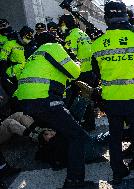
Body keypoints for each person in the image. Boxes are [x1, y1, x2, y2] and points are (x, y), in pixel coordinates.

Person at [14, 32, 94, 188]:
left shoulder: (35, 54)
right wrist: (76, 63)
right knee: (77, 136)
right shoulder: (53, 47)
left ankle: (57, 159)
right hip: (44, 99)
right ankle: (74, 182)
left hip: (26, 101)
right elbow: (74, 73)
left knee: (61, 131)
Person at [92, 1, 134, 185]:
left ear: (106, 18)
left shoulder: (97, 44)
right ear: (126, 17)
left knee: (115, 135)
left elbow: (96, 72)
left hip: (111, 98)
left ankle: (118, 172)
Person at [0, 28, 25, 96]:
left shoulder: (24, 44)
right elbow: (3, 58)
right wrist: (3, 74)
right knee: (14, 95)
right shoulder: (9, 43)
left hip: (23, 73)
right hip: (12, 73)